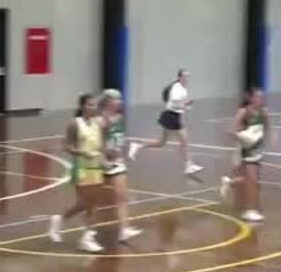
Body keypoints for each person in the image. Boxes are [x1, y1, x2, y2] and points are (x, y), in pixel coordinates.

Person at [49, 94, 109, 253]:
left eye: (94, 105)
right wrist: (81, 152)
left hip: (96, 167)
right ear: (82, 107)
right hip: (81, 167)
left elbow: (102, 145)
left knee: (93, 204)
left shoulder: (99, 124)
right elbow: (65, 146)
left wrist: (105, 160)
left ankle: (85, 237)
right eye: (89, 105)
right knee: (85, 203)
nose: (93, 107)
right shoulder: (75, 124)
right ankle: (64, 223)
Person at [128, 69, 203, 176]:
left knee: (161, 143)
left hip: (172, 116)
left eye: (188, 76)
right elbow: (173, 103)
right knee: (184, 141)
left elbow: (179, 104)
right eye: (184, 76)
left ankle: (137, 146)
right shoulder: (176, 88)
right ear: (179, 77)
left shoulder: (182, 89)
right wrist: (185, 106)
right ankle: (188, 166)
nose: (186, 78)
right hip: (171, 116)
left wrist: (186, 105)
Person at [220, 88, 271, 223]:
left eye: (262, 97)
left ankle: (229, 182)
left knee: (250, 179)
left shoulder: (264, 112)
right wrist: (245, 137)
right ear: (251, 98)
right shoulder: (244, 112)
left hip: (258, 149)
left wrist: (267, 138)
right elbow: (232, 130)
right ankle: (249, 211)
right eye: (258, 97)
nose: (261, 100)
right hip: (246, 149)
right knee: (252, 181)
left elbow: (267, 127)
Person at [99, 89, 142, 244]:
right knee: (89, 201)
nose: (120, 102)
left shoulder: (120, 118)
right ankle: (70, 224)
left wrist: (124, 150)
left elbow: (119, 139)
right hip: (102, 163)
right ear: (108, 101)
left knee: (122, 196)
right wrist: (104, 158)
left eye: (120, 99)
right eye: (117, 99)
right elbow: (98, 143)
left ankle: (124, 230)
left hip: (117, 162)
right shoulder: (101, 120)